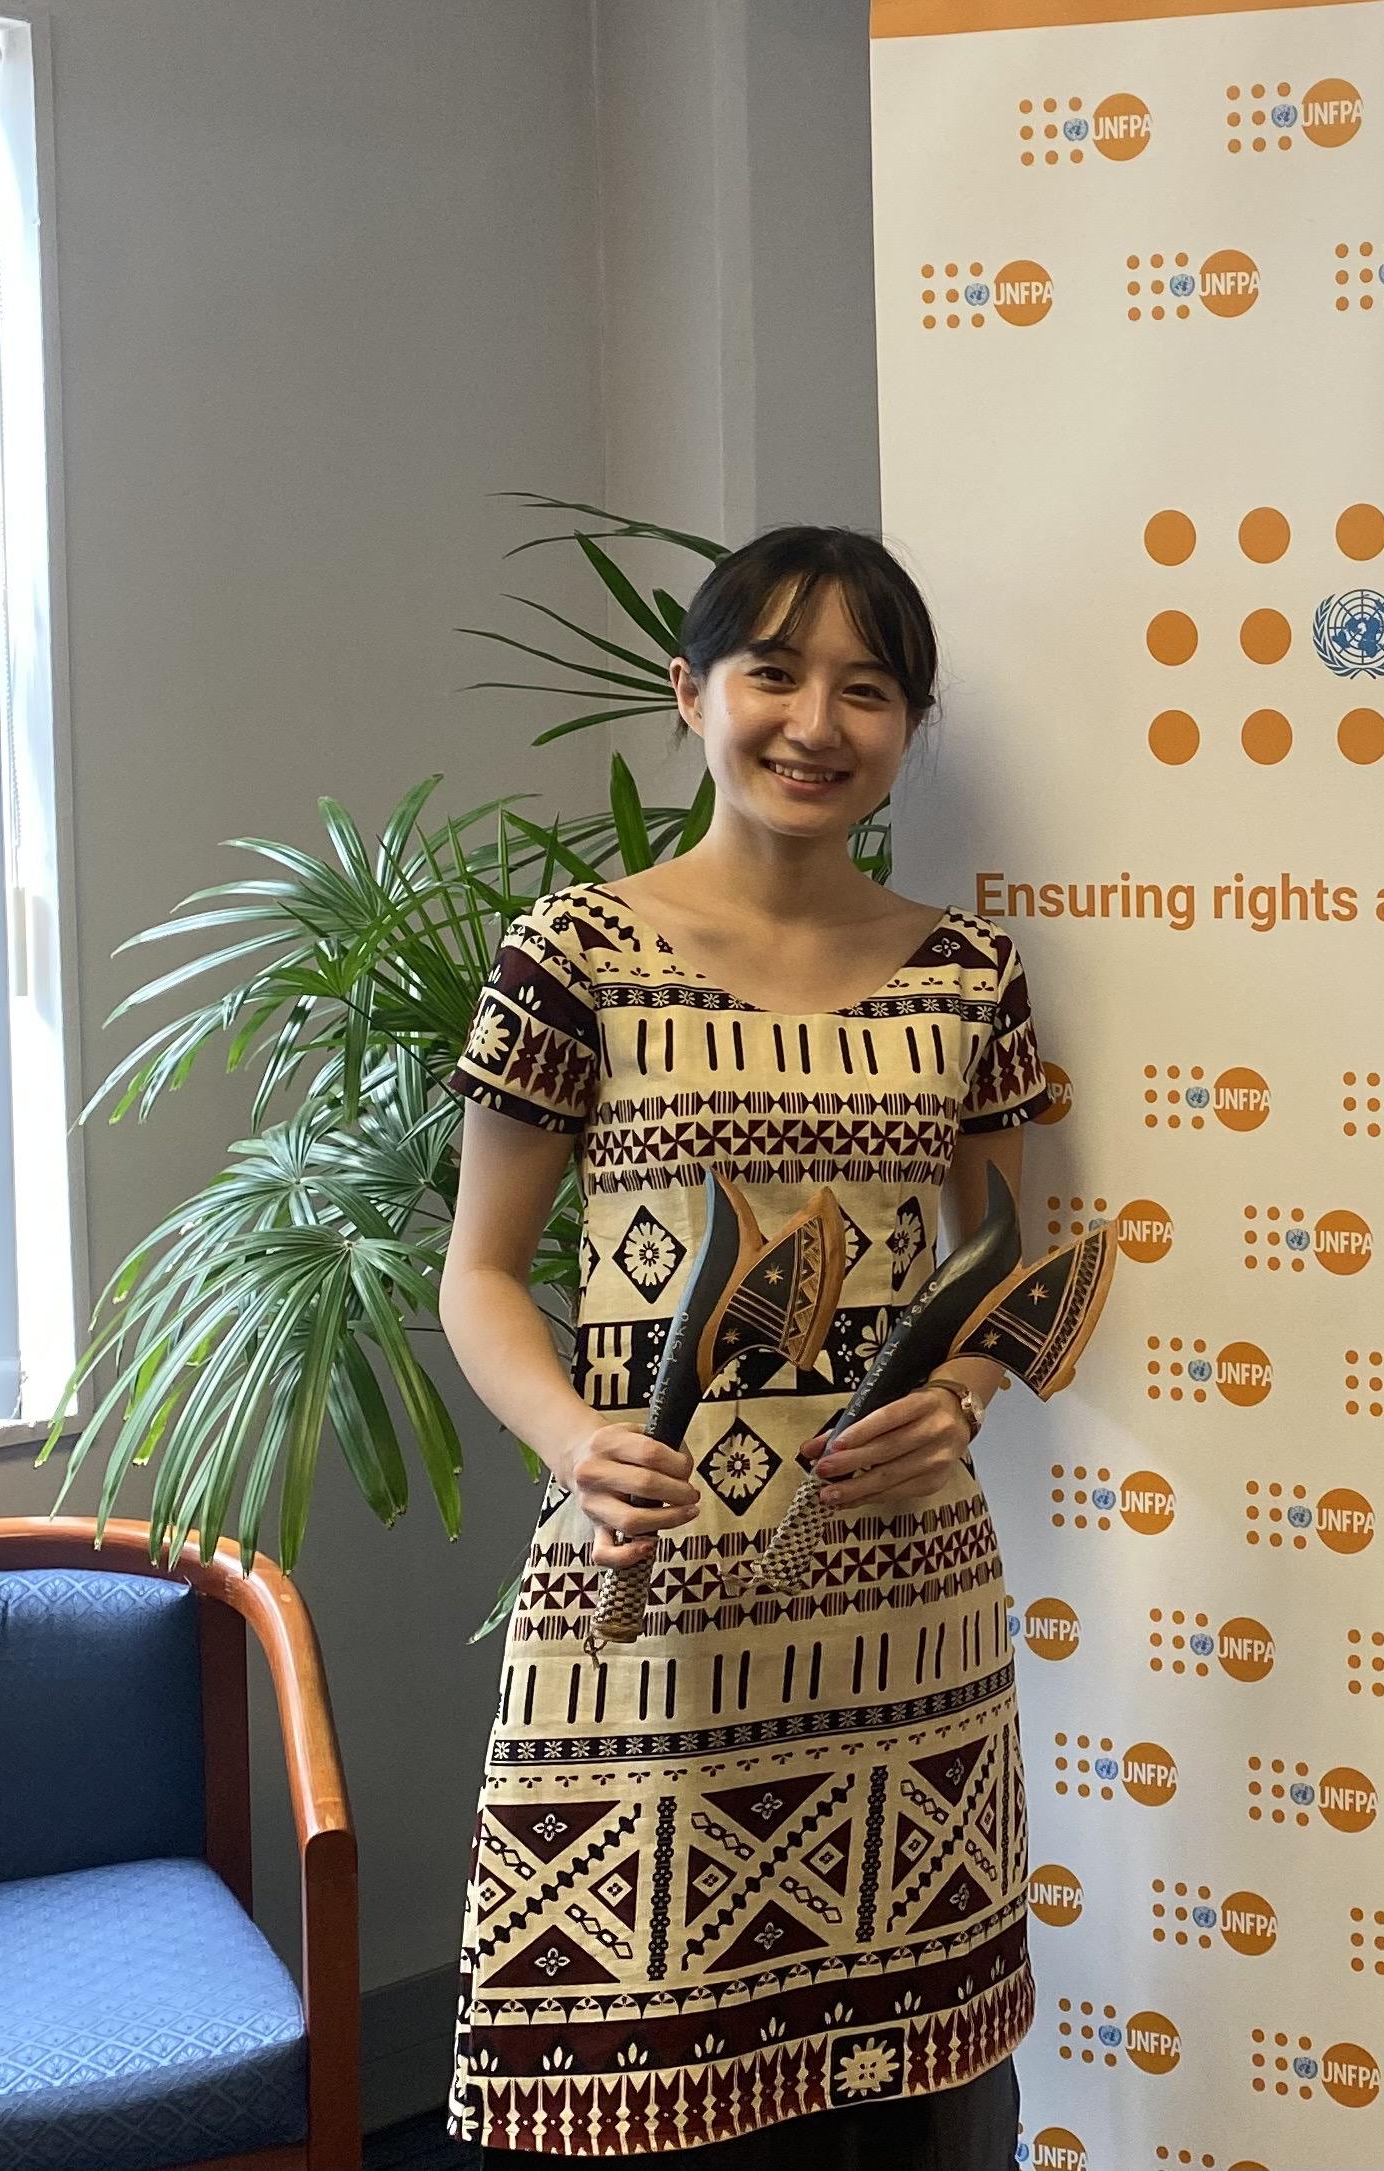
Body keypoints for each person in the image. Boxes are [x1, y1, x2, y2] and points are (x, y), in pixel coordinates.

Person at [437, 528, 1044, 2167]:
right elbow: (479, 1274)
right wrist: (574, 1438)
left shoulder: (969, 975)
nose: (816, 723)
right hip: (649, 1603)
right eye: (774, 672)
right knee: (626, 2082)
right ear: (691, 692)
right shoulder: (573, 955)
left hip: (904, 1611)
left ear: (912, 725)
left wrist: (963, 1396)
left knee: (911, 2110)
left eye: (869, 688)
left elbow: (1001, 1266)